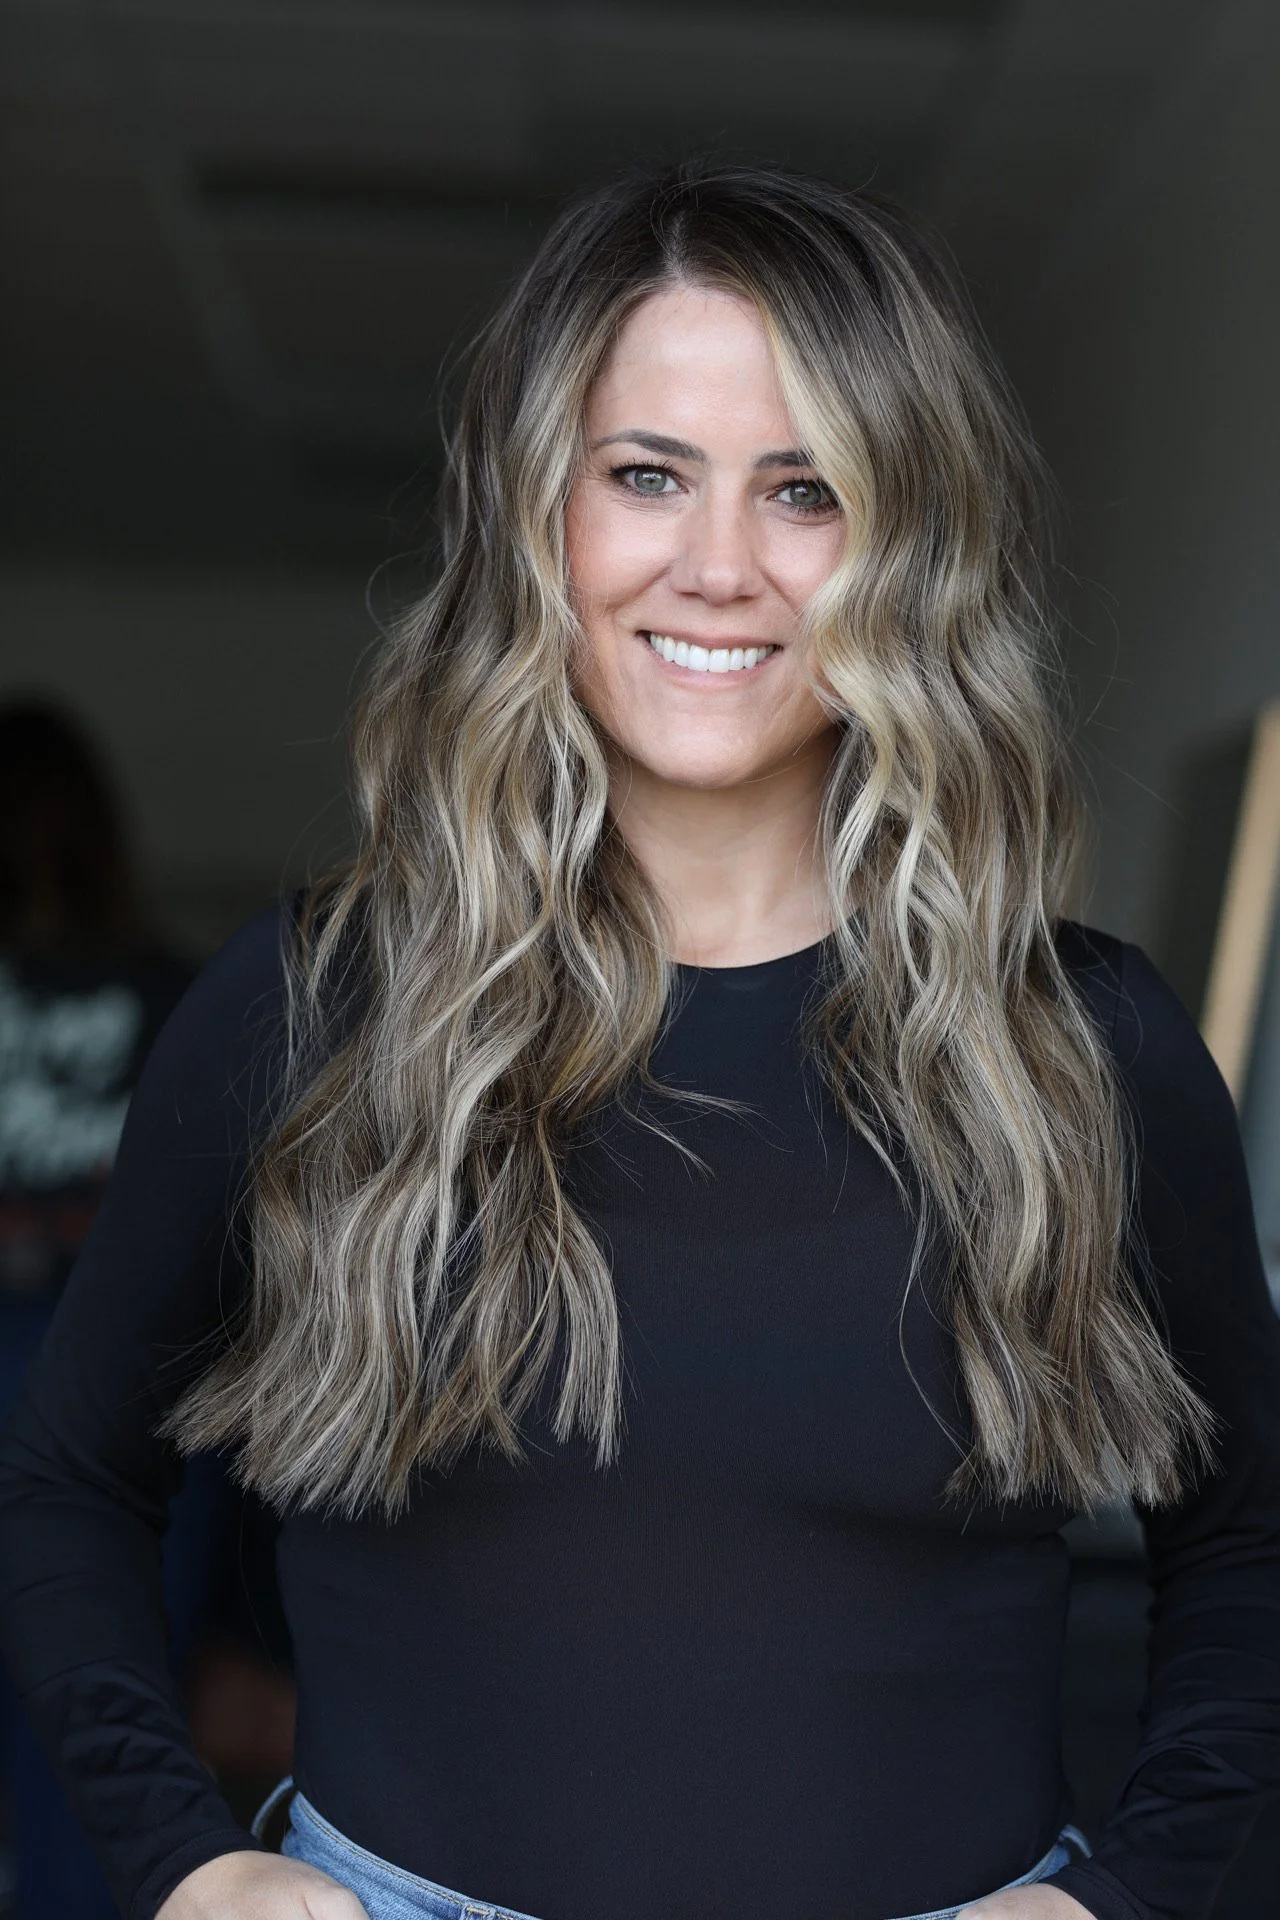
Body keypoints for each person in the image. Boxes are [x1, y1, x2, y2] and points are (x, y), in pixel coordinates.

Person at [0, 162, 1278, 1920]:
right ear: (545, 517)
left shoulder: (1086, 1049)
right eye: (648, 475)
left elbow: (1252, 1540)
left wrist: (1121, 1896)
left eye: (806, 489)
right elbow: (67, 1476)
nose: (721, 566)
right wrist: (186, 1866)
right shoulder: (318, 1009)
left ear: (906, 544)